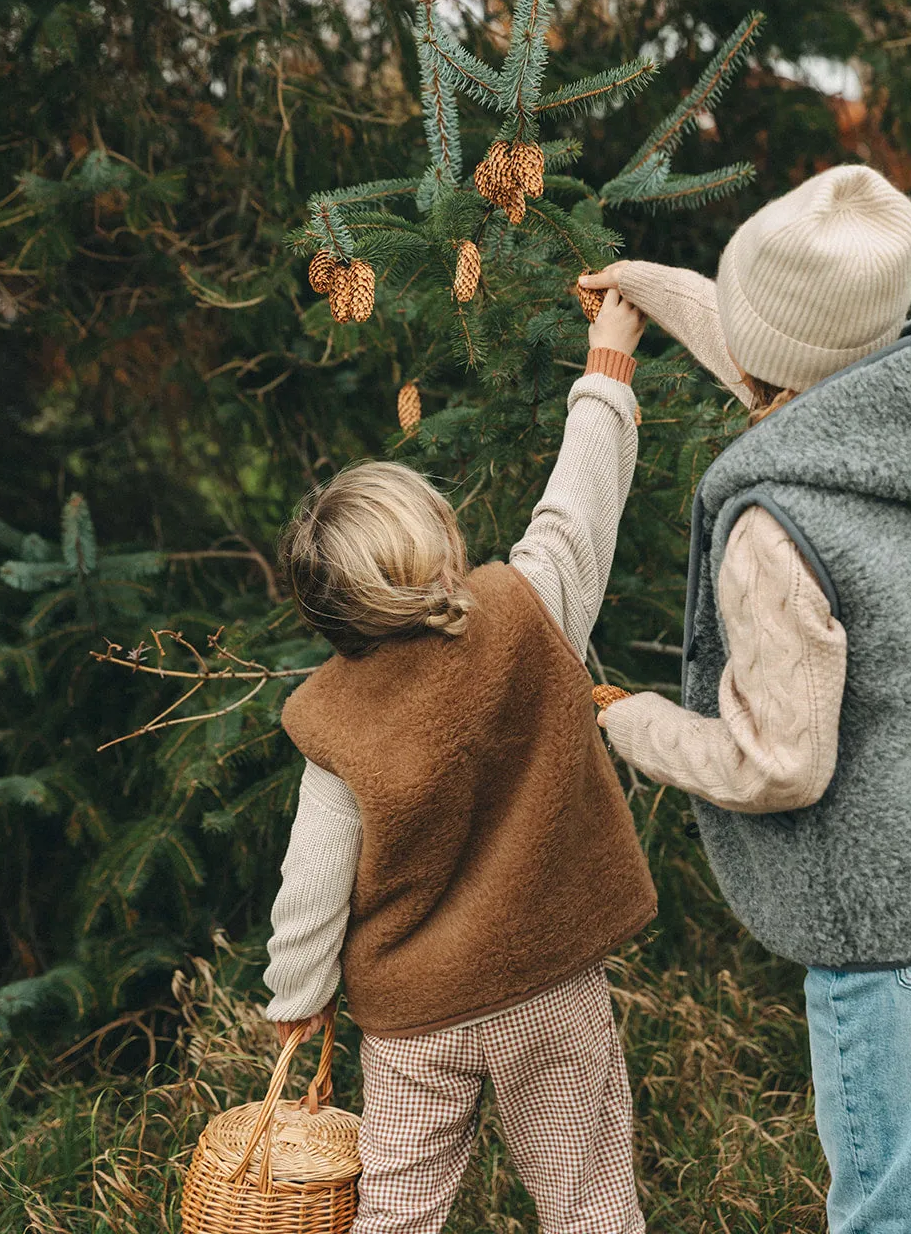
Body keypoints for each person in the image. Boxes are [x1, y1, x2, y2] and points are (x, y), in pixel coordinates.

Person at [582, 163, 911, 1234]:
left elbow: (776, 763)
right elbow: (776, 358)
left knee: (907, 1214)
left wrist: (627, 718)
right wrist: (649, 286)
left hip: (902, 921)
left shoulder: (777, 528)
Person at [263, 289, 656, 1234]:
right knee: (590, 1203)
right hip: (547, 986)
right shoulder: (523, 613)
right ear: (443, 548)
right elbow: (578, 505)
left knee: (394, 1213)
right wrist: (607, 363)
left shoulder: (331, 718)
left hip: (413, 1018)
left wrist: (297, 1000)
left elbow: (311, 885)